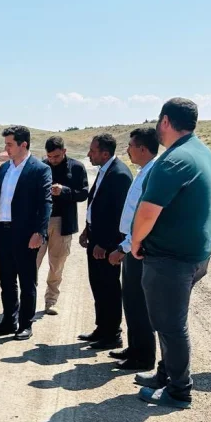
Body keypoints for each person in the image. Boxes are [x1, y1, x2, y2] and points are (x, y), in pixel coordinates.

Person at [129, 97, 211, 408]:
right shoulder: (202, 153)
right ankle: (165, 375)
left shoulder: (174, 161)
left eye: (158, 121)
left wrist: (136, 241)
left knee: (170, 324)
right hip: (194, 255)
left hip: (171, 258)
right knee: (170, 320)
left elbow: (147, 213)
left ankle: (180, 390)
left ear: (166, 121)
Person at [0, 125, 52, 340]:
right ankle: (8, 321)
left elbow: (45, 203)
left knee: (27, 281)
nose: (6, 149)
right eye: (5, 144)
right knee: (6, 280)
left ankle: (25, 324)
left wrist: (39, 232)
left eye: (10, 144)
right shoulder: (4, 169)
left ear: (24, 144)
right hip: (3, 233)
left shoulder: (39, 169)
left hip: (25, 235)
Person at [107, 127, 160, 371]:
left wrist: (125, 247)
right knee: (131, 301)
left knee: (139, 304)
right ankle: (135, 347)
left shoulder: (153, 173)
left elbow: (144, 217)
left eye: (130, 146)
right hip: (131, 245)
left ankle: (144, 356)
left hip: (138, 248)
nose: (127, 150)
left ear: (141, 148)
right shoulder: (143, 171)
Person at [77, 134, 132, 350]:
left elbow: (119, 216)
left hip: (106, 246)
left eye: (92, 151)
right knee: (98, 286)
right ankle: (102, 328)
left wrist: (106, 244)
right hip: (95, 240)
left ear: (105, 153)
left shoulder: (119, 174)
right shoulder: (105, 171)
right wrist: (87, 230)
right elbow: (97, 207)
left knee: (109, 288)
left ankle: (112, 334)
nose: (89, 154)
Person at [37, 135, 89, 315]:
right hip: (41, 222)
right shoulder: (41, 167)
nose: (52, 160)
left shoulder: (76, 168)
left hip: (63, 222)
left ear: (64, 151)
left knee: (57, 264)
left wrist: (64, 191)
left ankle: (51, 301)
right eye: (49, 157)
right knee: (31, 263)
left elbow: (83, 194)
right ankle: (26, 302)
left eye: (56, 157)